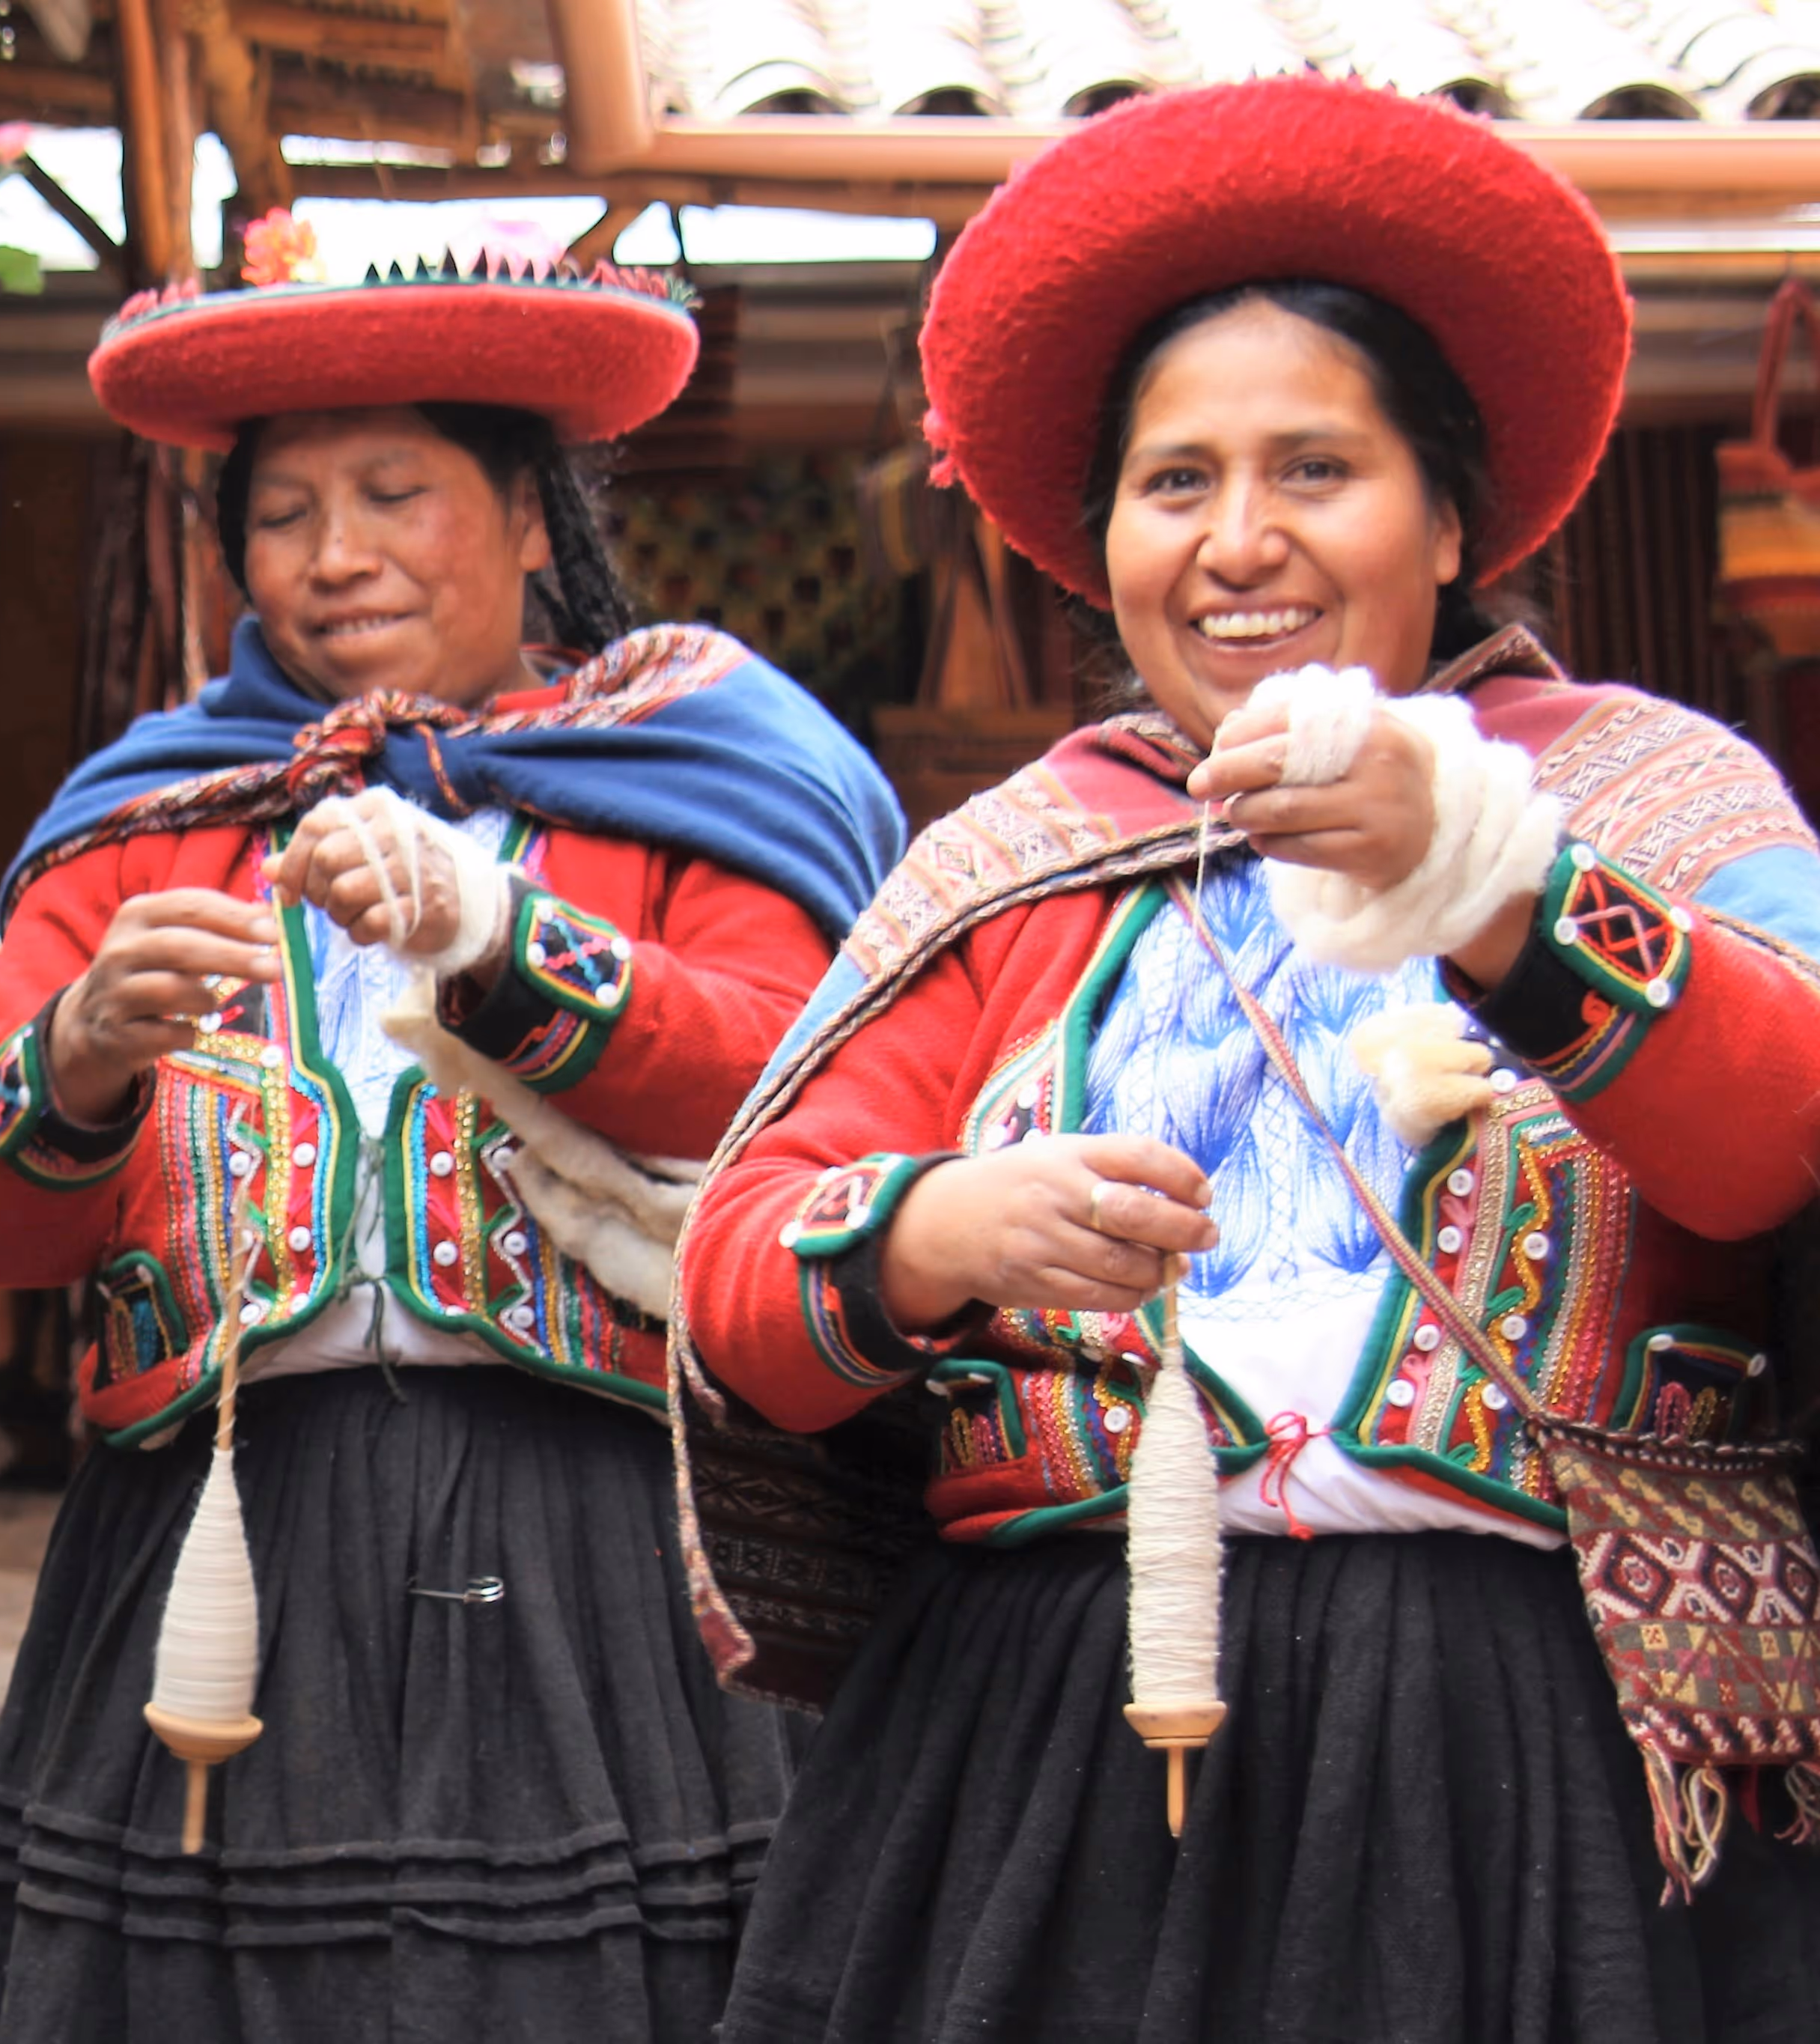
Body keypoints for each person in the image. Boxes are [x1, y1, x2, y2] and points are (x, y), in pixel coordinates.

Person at [677, 76, 1820, 2042]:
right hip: (1037, 1737)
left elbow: (1777, 1134)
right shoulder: (1015, 856)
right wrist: (936, 1228)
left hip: (1520, 1737)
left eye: (1312, 469)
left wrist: (1486, 882)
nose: (1234, 542)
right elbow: (734, 1272)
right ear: (1099, 531)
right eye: (1174, 480)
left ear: (1447, 514)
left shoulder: (1640, 794)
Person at [0, 219, 906, 2041]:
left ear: (533, 513)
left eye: (395, 491)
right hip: (210, 1534)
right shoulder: (145, 820)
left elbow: (789, 1080)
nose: (336, 555)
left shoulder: (701, 769)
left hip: (598, 1530)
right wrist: (78, 1058)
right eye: (283, 514)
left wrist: (500, 938)